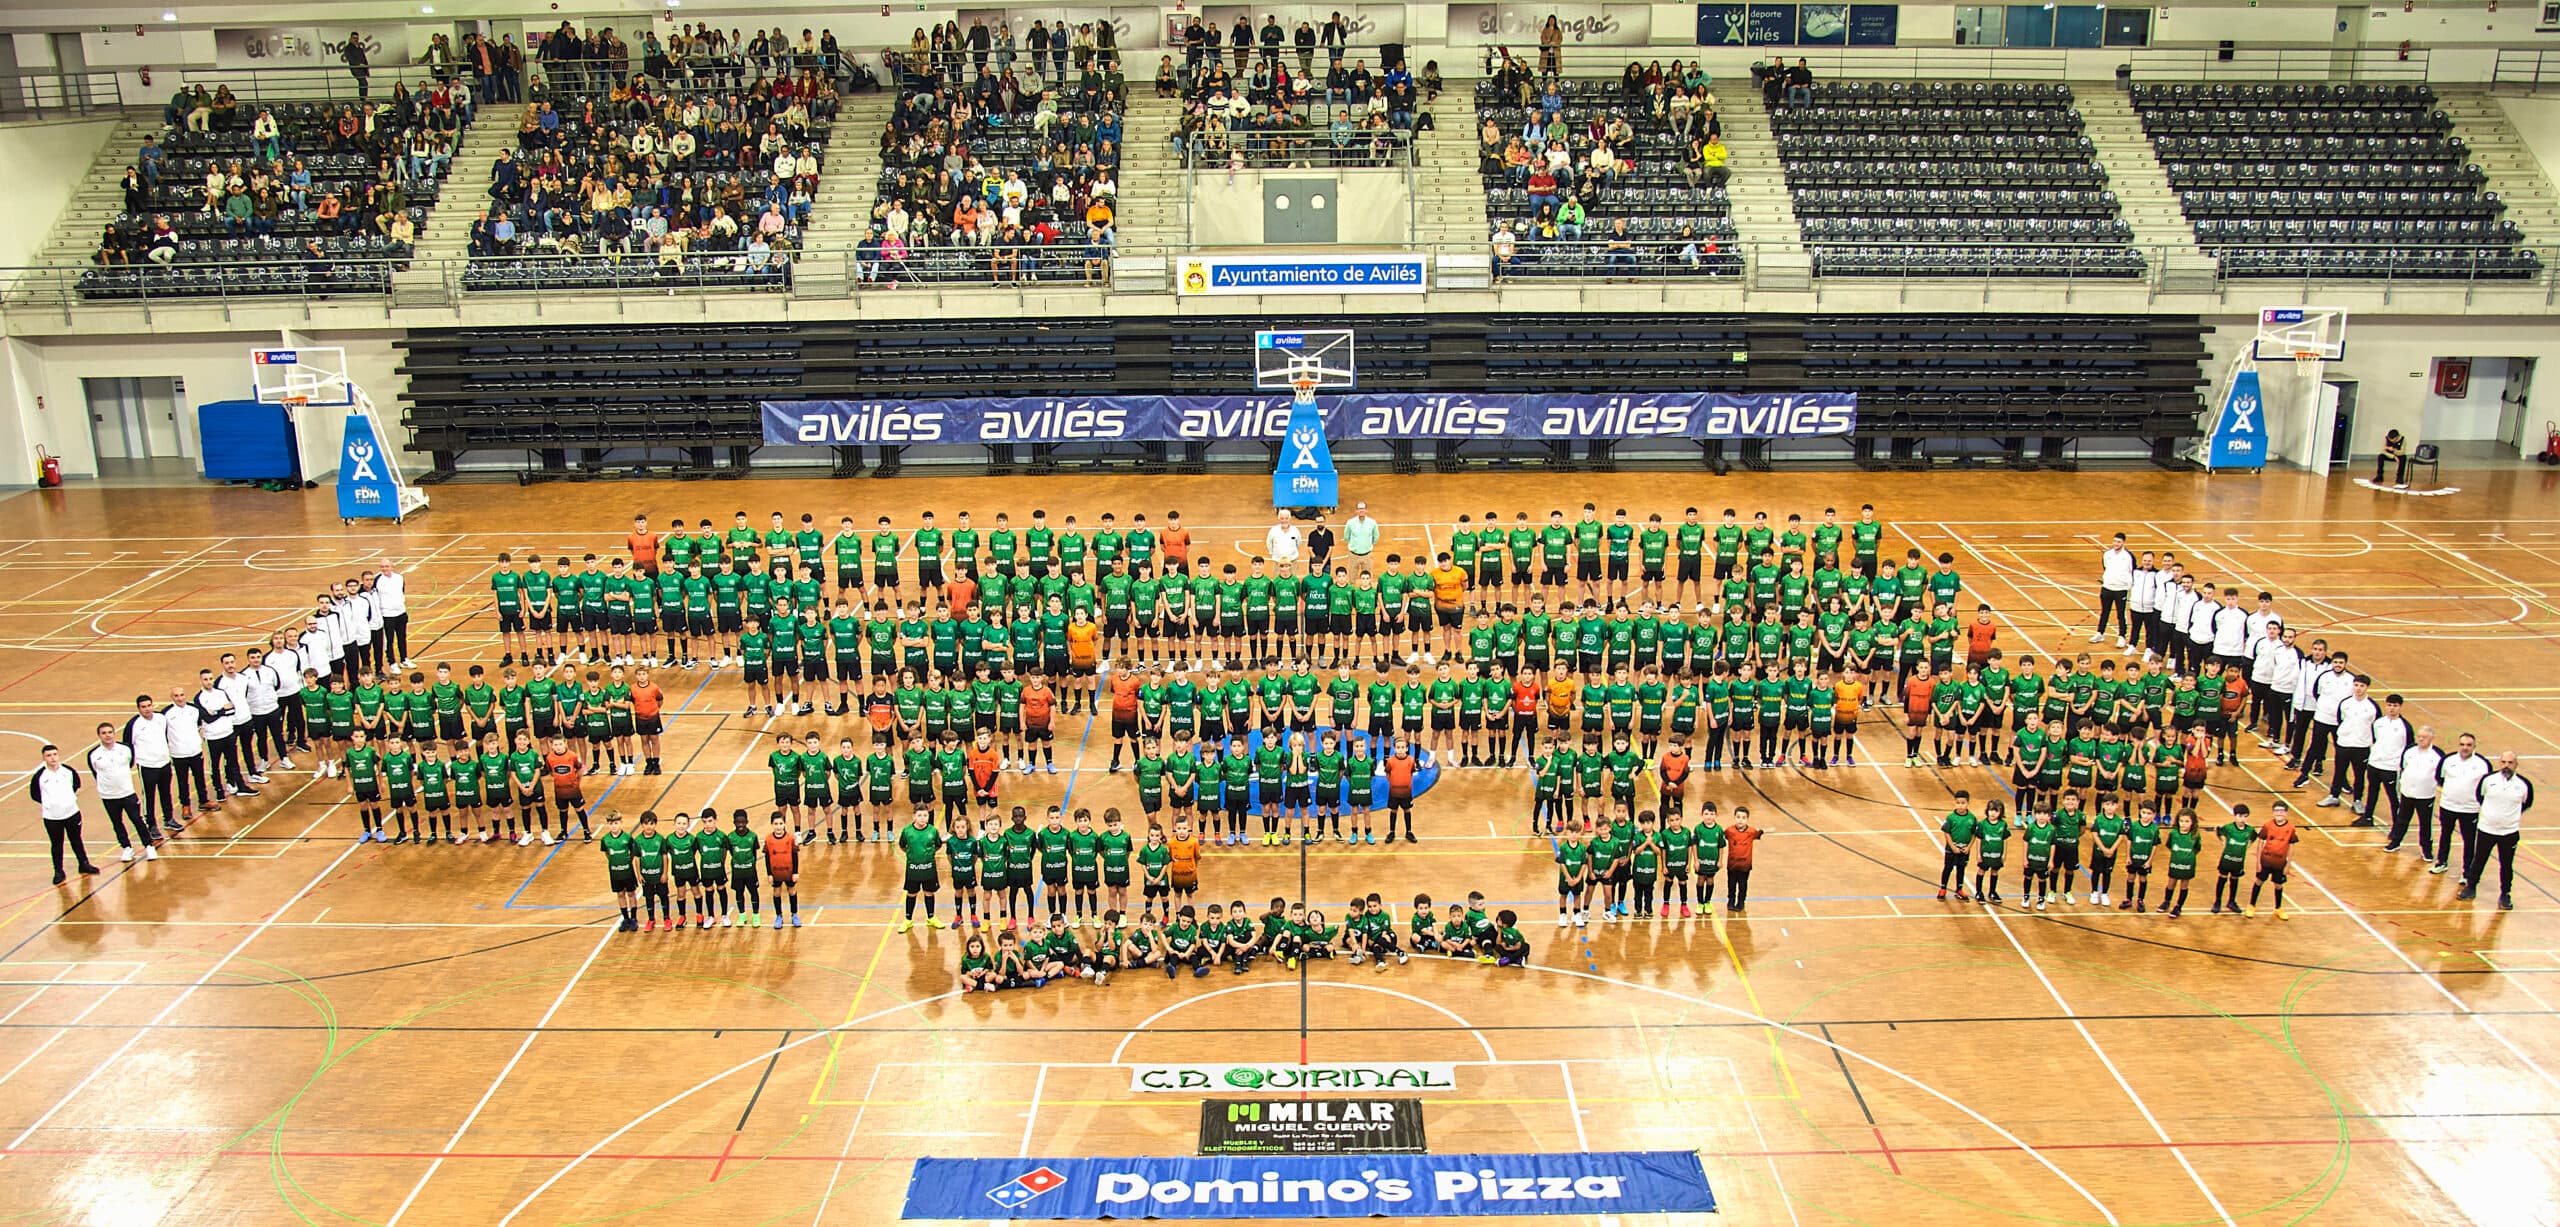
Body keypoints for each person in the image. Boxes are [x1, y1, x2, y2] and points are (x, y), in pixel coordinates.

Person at [2460, 752, 2528, 910]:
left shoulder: (2523, 785)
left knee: (2506, 864)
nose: (2506, 765)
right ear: (2499, 763)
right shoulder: (2488, 780)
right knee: (2479, 860)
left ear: (2516, 764)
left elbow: (2526, 803)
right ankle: (2471, 887)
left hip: (2509, 832)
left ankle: (2505, 894)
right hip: (2486, 829)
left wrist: (2508, 817)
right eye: (2503, 762)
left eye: (2510, 762)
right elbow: (2480, 797)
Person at [87, 722, 157, 862]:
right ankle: (126, 848)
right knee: (117, 822)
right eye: (104, 733)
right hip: (108, 795)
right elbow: (95, 772)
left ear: (114, 733)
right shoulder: (93, 754)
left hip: (127, 793)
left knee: (137, 820)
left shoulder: (125, 749)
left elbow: (130, 764)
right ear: (99, 736)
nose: (107, 735)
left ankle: (149, 846)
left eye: (109, 732)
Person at [30, 744, 99, 885]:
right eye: (49, 755)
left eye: (54, 754)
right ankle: (58, 871)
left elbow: (76, 785)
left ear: (58, 755)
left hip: (72, 813)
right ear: (44, 758)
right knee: (56, 844)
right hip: (52, 817)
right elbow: (35, 794)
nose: (52, 758)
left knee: (76, 840)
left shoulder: (68, 771)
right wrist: (51, 804)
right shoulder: (40, 776)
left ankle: (83, 864)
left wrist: (67, 801)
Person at [2244, 801, 2299, 919]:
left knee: (2278, 885)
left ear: (2286, 813)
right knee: (2259, 881)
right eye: (2277, 811)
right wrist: (2258, 862)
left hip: (2280, 862)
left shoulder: (2291, 828)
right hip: (2266, 860)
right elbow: (2260, 843)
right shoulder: (2267, 825)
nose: (2279, 813)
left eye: (2282, 811)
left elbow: (2291, 846)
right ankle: (2251, 905)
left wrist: (2288, 865)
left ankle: (2278, 908)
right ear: (2273, 812)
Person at [2094, 532, 2134, 646]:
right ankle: (2100, 633)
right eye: (2115, 541)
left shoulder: (2128, 557)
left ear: (2123, 543)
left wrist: (2128, 586)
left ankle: (2122, 636)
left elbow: (2132, 571)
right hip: (2107, 588)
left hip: (2121, 589)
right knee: (2104, 612)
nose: (2116, 544)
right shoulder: (2107, 554)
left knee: (2121, 614)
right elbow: (2105, 567)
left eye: (2119, 542)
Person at [1724, 806, 1759, 911]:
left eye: (1743, 818)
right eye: (1738, 817)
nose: (1740, 820)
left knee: (1743, 885)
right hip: (1732, 864)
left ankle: (1741, 902)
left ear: (1747, 819)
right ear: (1734, 817)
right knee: (1731, 884)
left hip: (1745, 866)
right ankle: (1731, 900)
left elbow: (1761, 832)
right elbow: (1719, 834)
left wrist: (1769, 830)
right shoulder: (1729, 831)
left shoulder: (1751, 832)